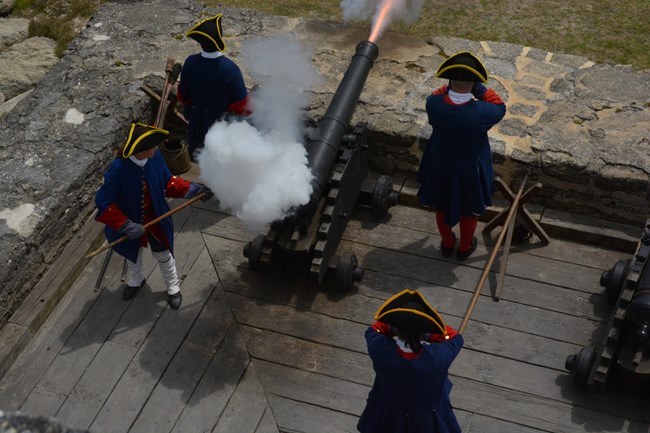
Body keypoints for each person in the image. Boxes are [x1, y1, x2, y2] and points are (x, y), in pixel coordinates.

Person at [95, 122, 213, 310]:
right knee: (132, 255)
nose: (156, 149)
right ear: (141, 150)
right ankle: (136, 279)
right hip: (129, 220)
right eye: (152, 147)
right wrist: (124, 225)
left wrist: (192, 190)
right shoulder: (118, 169)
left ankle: (173, 286)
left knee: (163, 254)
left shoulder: (155, 157)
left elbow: (167, 181)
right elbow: (103, 201)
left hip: (156, 215)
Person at [417, 51, 506, 261]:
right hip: (470, 168)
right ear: (475, 83)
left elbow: (435, 94)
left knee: (440, 205)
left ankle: (447, 244)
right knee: (469, 210)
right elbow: (500, 105)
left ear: (449, 81)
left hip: (439, 163)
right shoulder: (483, 111)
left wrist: (450, 87)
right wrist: (479, 89)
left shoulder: (434, 105)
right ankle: (464, 248)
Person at [358, 289, 464, 433]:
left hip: (388, 418)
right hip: (427, 423)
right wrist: (430, 333)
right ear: (424, 331)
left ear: (396, 329)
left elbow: (374, 330)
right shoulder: (438, 358)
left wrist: (393, 327)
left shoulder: (381, 351)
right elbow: (455, 338)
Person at [176, 14, 253, 160]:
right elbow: (243, 105)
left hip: (196, 121)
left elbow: (183, 95)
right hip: (222, 126)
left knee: (197, 155)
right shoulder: (230, 69)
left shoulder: (190, 62)